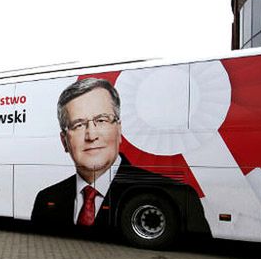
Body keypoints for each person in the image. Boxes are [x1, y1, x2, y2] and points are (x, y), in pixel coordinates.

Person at [31, 77, 209, 233]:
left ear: (119, 129)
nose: (91, 136)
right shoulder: (46, 198)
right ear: (64, 141)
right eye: (78, 125)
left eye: (101, 120)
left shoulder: (181, 194)